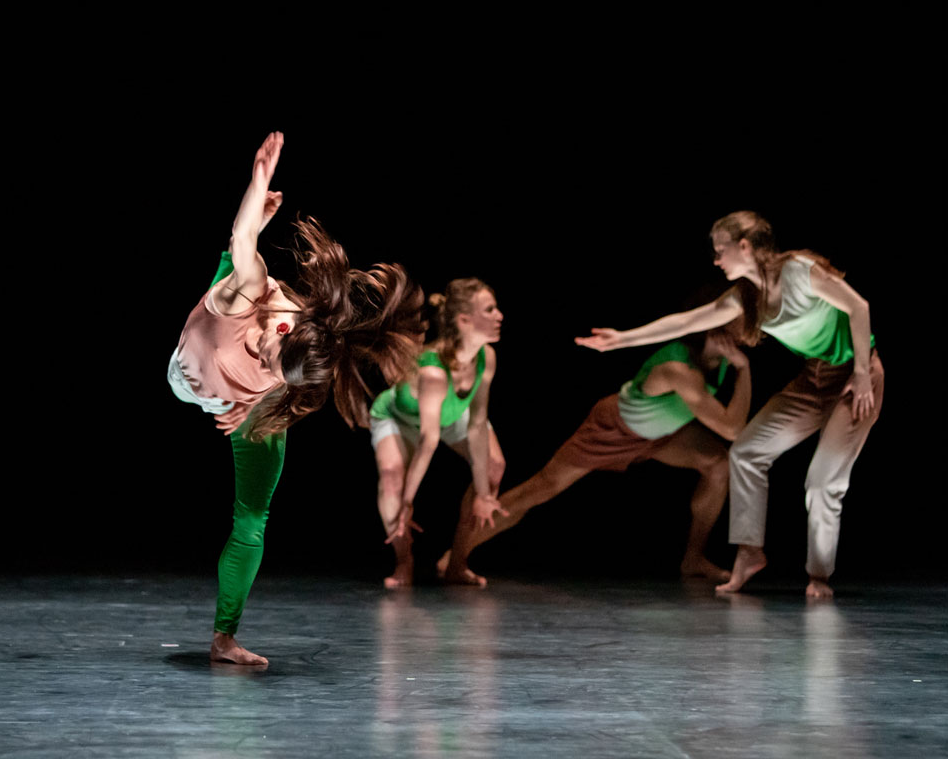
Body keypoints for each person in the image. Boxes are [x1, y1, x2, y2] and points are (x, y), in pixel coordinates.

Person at [168, 132, 423, 663]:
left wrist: (258, 404)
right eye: (269, 358)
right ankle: (251, 227)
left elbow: (293, 388)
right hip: (191, 371)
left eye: (275, 374)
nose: (264, 366)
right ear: (281, 331)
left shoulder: (307, 360)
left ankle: (224, 637)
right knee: (239, 260)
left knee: (252, 519)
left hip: (241, 406)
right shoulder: (255, 294)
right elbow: (243, 245)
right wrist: (257, 181)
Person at [577, 211, 882, 598]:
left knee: (821, 481)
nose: (717, 260)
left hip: (858, 378)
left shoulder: (800, 271)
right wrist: (622, 339)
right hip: (813, 380)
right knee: (747, 451)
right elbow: (686, 322)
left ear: (745, 246)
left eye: (721, 250)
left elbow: (859, 307)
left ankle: (818, 576)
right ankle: (749, 552)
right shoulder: (745, 297)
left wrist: (859, 370)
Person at [445, 327, 751, 585]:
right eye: (739, 321)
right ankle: (456, 555)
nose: (747, 328)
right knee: (540, 489)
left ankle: (693, 558)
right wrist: (744, 369)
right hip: (612, 429)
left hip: (661, 435)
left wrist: (737, 365)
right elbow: (732, 427)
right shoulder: (679, 367)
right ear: (715, 327)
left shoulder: (720, 359)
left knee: (718, 463)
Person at [370, 278, 508, 588]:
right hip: (401, 417)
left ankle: (456, 564)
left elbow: (476, 422)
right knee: (393, 478)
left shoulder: (487, 358)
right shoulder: (433, 371)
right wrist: (407, 502)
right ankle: (404, 562)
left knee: (494, 468)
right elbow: (428, 440)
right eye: (490, 309)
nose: (500, 315)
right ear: (464, 320)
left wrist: (485, 493)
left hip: (451, 415)